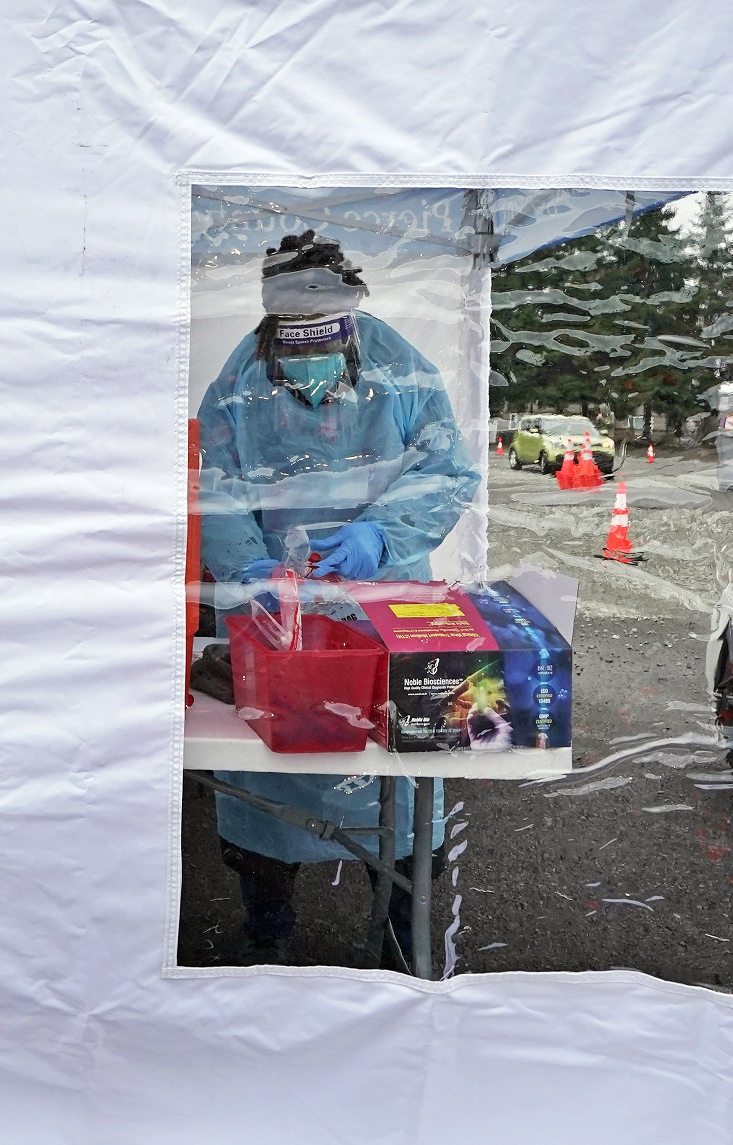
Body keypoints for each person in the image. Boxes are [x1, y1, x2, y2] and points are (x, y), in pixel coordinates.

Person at [197, 229, 480, 968]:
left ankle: (402, 946)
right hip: (280, 626)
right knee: (269, 788)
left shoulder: (400, 369)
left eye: (323, 347)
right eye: (294, 352)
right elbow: (219, 492)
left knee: (403, 792)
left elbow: (447, 468)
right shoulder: (236, 383)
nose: (310, 370)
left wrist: (380, 536)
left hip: (383, 607)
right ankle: (266, 937)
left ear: (350, 324)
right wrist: (250, 568)